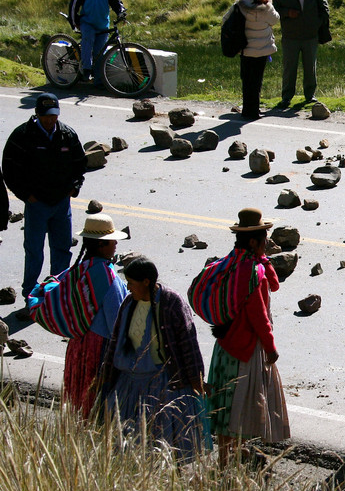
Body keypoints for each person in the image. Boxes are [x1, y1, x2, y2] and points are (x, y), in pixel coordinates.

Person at [98, 257, 207, 462]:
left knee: (163, 445)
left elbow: (188, 342)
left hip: (162, 386)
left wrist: (196, 379)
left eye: (131, 283)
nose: (128, 287)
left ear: (146, 281)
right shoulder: (129, 303)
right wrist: (106, 375)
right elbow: (115, 342)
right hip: (129, 385)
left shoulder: (171, 303)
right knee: (129, 447)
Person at [205, 208, 290, 468]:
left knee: (224, 402)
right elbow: (259, 316)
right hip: (244, 347)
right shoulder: (253, 272)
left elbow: (274, 283)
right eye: (264, 238)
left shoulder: (230, 262)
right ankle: (226, 462)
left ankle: (226, 457)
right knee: (237, 404)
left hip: (224, 344)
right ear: (253, 241)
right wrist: (271, 347)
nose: (268, 242)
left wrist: (263, 258)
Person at [29, 213, 128, 417]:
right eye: (112, 241)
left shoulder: (80, 268)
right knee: (97, 402)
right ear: (101, 245)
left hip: (78, 345)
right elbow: (116, 321)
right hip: (99, 349)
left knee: (79, 397)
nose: (116, 244)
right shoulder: (105, 274)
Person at [2, 93, 86, 318]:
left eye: (54, 116)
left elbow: (80, 163)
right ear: (37, 114)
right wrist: (25, 195)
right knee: (34, 251)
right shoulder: (23, 136)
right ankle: (31, 296)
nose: (51, 121)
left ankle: (56, 295)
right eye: (46, 116)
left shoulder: (67, 135)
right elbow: (9, 168)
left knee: (61, 249)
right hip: (36, 204)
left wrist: (74, 187)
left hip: (61, 203)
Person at [271, 0, 330, 106]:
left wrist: (315, 25)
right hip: (290, 37)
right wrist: (287, 13)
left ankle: (310, 96)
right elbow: (272, 11)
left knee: (310, 68)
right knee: (289, 69)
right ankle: (286, 98)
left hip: (310, 37)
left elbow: (325, 11)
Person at [67, 0, 126, 84]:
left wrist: (121, 13)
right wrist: (74, 23)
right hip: (87, 23)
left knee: (100, 52)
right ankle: (86, 70)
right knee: (87, 42)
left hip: (102, 25)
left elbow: (117, 3)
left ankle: (98, 80)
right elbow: (74, 5)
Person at [236, 0, 280, 120]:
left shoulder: (238, 5)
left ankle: (246, 110)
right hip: (262, 50)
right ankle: (254, 111)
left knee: (246, 80)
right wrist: (271, 3)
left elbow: (225, 20)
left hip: (245, 48)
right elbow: (275, 20)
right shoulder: (266, 6)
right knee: (257, 80)